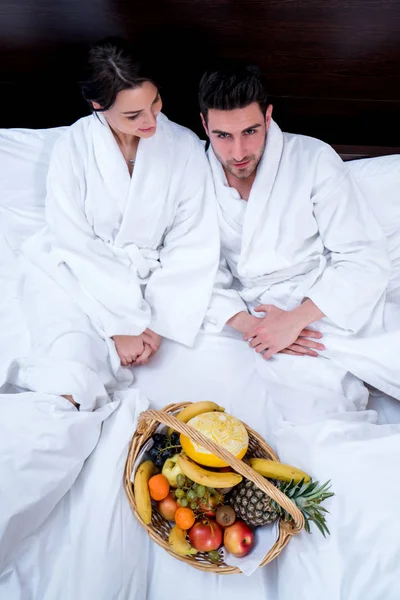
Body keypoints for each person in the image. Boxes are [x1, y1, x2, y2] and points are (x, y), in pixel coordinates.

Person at [3, 38, 221, 412]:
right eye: (133, 115)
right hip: (74, 277)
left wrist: (158, 322)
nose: (151, 120)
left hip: (152, 282)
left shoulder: (184, 146)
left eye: (154, 102)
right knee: (67, 378)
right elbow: (71, 239)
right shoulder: (73, 147)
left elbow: (193, 240)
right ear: (98, 106)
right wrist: (121, 321)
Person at [199, 64, 400, 425]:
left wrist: (297, 319)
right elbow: (194, 270)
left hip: (335, 301)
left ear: (268, 116)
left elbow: (363, 256)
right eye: (223, 136)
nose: (239, 150)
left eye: (250, 131)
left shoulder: (311, 158)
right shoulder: (192, 177)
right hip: (267, 322)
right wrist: (256, 328)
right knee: (319, 435)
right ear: (204, 126)